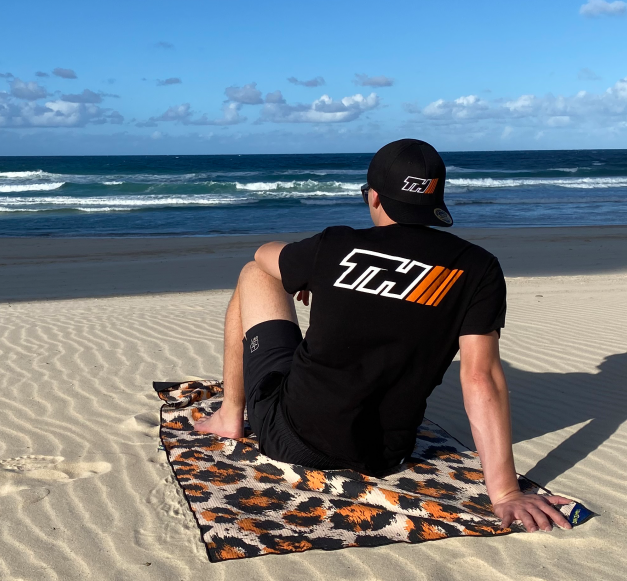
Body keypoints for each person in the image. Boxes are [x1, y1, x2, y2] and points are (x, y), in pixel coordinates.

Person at [195, 139, 572, 532]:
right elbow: (481, 377)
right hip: (386, 455)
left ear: (374, 196)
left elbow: (263, 254)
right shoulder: (479, 268)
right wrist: (506, 492)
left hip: (291, 435)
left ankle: (229, 415)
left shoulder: (335, 246)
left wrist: (308, 273)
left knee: (254, 273)